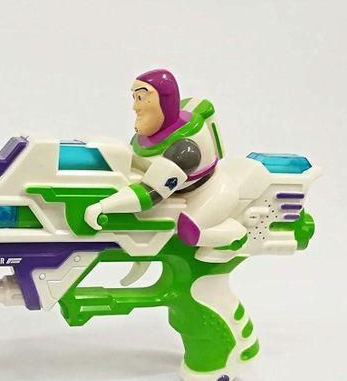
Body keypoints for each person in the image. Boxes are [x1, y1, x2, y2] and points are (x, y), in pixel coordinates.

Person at [84, 68, 246, 249]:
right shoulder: (148, 136)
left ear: (163, 99)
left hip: (211, 192)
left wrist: (104, 206)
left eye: (141, 98)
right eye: (134, 98)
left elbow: (149, 194)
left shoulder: (184, 150)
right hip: (182, 189)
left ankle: (237, 236)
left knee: (190, 230)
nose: (135, 107)